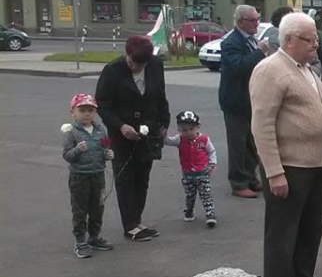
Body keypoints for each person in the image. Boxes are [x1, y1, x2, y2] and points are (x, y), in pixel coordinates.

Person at [250, 12, 322, 277]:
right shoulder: (270, 70)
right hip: (289, 166)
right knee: (283, 231)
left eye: (316, 38)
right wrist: (274, 172)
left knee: (310, 228)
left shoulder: (307, 69)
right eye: (309, 39)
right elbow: (262, 125)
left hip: (318, 164)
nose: (316, 44)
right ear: (288, 40)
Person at [95, 35, 170, 242]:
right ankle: (130, 226)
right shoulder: (113, 70)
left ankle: (137, 220)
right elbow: (102, 104)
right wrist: (120, 126)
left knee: (143, 176)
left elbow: (160, 96)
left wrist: (164, 123)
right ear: (126, 55)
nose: (134, 67)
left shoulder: (155, 65)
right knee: (125, 177)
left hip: (148, 129)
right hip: (122, 132)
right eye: (131, 62)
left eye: (139, 64)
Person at [219, 4, 269, 198]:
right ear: (240, 22)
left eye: (258, 19)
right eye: (252, 20)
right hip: (235, 101)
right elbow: (239, 67)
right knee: (238, 145)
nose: (257, 23)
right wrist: (259, 52)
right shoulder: (231, 42)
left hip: (251, 100)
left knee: (251, 143)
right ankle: (238, 183)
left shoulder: (251, 39)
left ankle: (250, 178)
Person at [61, 93, 115, 258]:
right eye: (82, 110)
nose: (86, 114)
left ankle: (94, 237)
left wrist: (108, 154)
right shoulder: (71, 132)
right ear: (73, 112)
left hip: (98, 175)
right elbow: (67, 155)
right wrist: (77, 150)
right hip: (80, 177)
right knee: (80, 209)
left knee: (97, 207)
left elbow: (105, 146)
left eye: (90, 110)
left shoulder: (100, 130)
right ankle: (80, 241)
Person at [164, 110, 218, 228]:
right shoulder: (179, 139)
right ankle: (189, 210)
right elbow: (168, 141)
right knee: (190, 195)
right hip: (187, 174)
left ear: (198, 127)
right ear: (179, 130)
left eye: (191, 129)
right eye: (184, 130)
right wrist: (162, 134)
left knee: (206, 194)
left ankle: (210, 213)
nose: (188, 132)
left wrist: (212, 164)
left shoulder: (204, 139)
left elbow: (211, 151)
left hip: (202, 173)